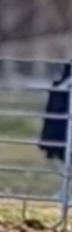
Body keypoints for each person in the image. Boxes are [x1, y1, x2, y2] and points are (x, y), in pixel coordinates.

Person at [40, 61, 72, 201]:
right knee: (61, 159)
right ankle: (64, 190)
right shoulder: (62, 85)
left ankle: (64, 191)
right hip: (60, 130)